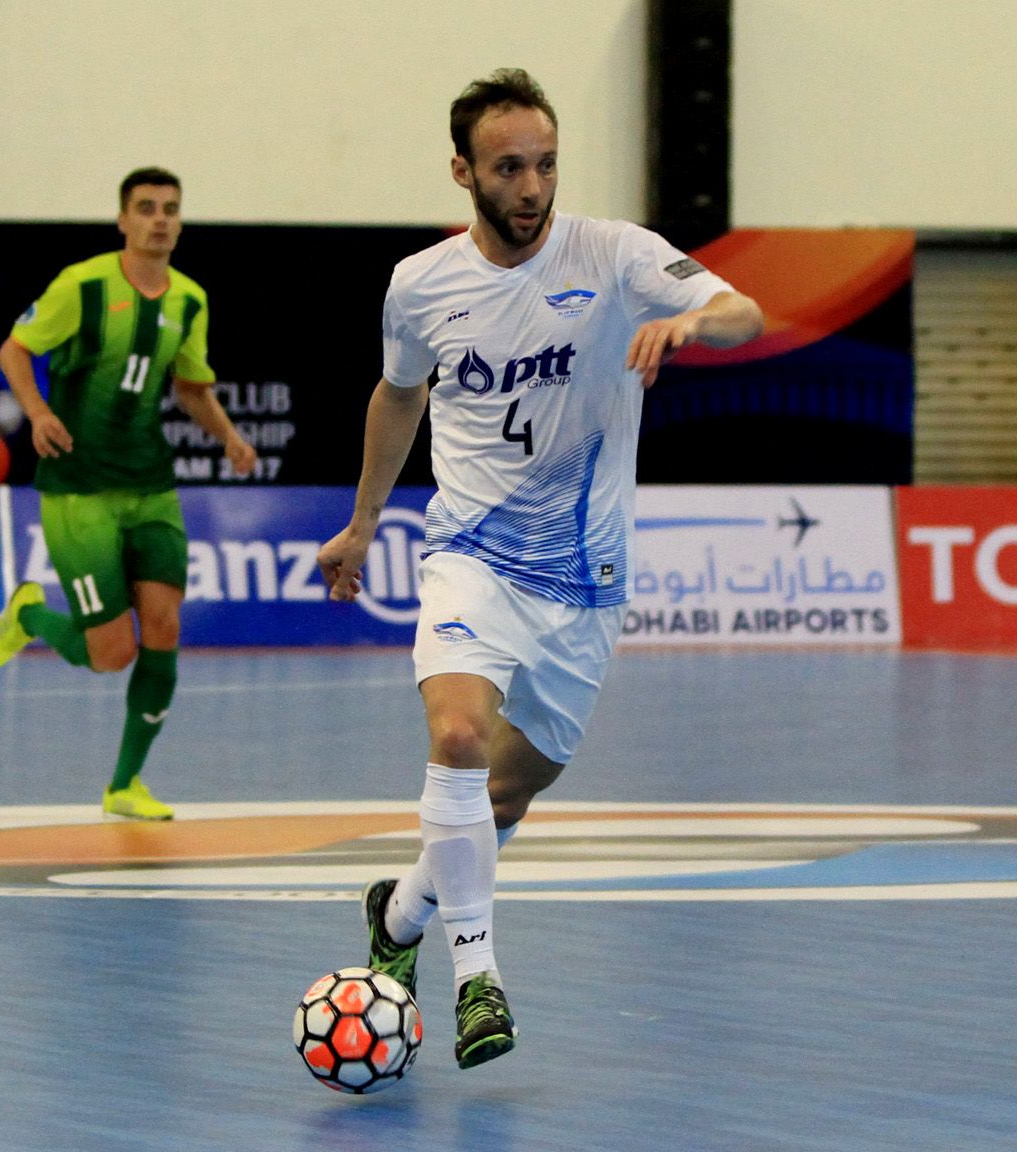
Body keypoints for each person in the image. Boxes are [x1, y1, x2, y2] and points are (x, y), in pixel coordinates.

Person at [315, 69, 763, 1069]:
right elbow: (398, 399)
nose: (530, 186)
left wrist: (691, 323)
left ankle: (400, 913)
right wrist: (361, 522)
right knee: (460, 734)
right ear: (463, 172)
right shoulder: (419, 284)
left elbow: (745, 311)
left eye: (544, 164)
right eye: (508, 167)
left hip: (585, 577)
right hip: (469, 551)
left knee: (510, 794)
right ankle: (479, 976)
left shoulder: (613, 254)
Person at [0, 166, 256, 820]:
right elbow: (15, 352)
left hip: (151, 487)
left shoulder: (189, 300)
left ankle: (125, 784)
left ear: (180, 221)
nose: (159, 219)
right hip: (79, 492)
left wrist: (228, 438)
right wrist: (39, 412)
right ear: (123, 221)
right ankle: (28, 616)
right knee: (112, 654)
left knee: (163, 625)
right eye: (146, 208)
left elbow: (191, 386)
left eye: (170, 209)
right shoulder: (83, 287)